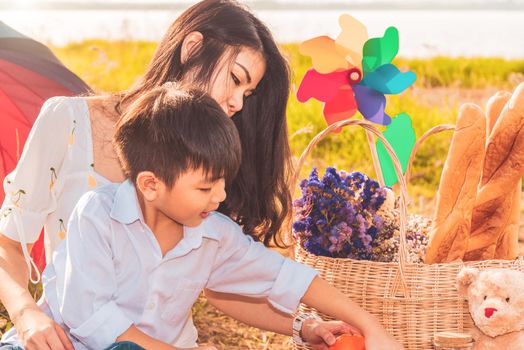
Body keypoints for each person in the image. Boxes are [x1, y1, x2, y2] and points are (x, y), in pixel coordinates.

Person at [0, 1, 400, 349]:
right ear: (192, 48)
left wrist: (304, 326)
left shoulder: (209, 164)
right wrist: (26, 313)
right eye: (235, 79)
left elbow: (221, 274)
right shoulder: (68, 122)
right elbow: (8, 242)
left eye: (248, 94)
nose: (236, 103)